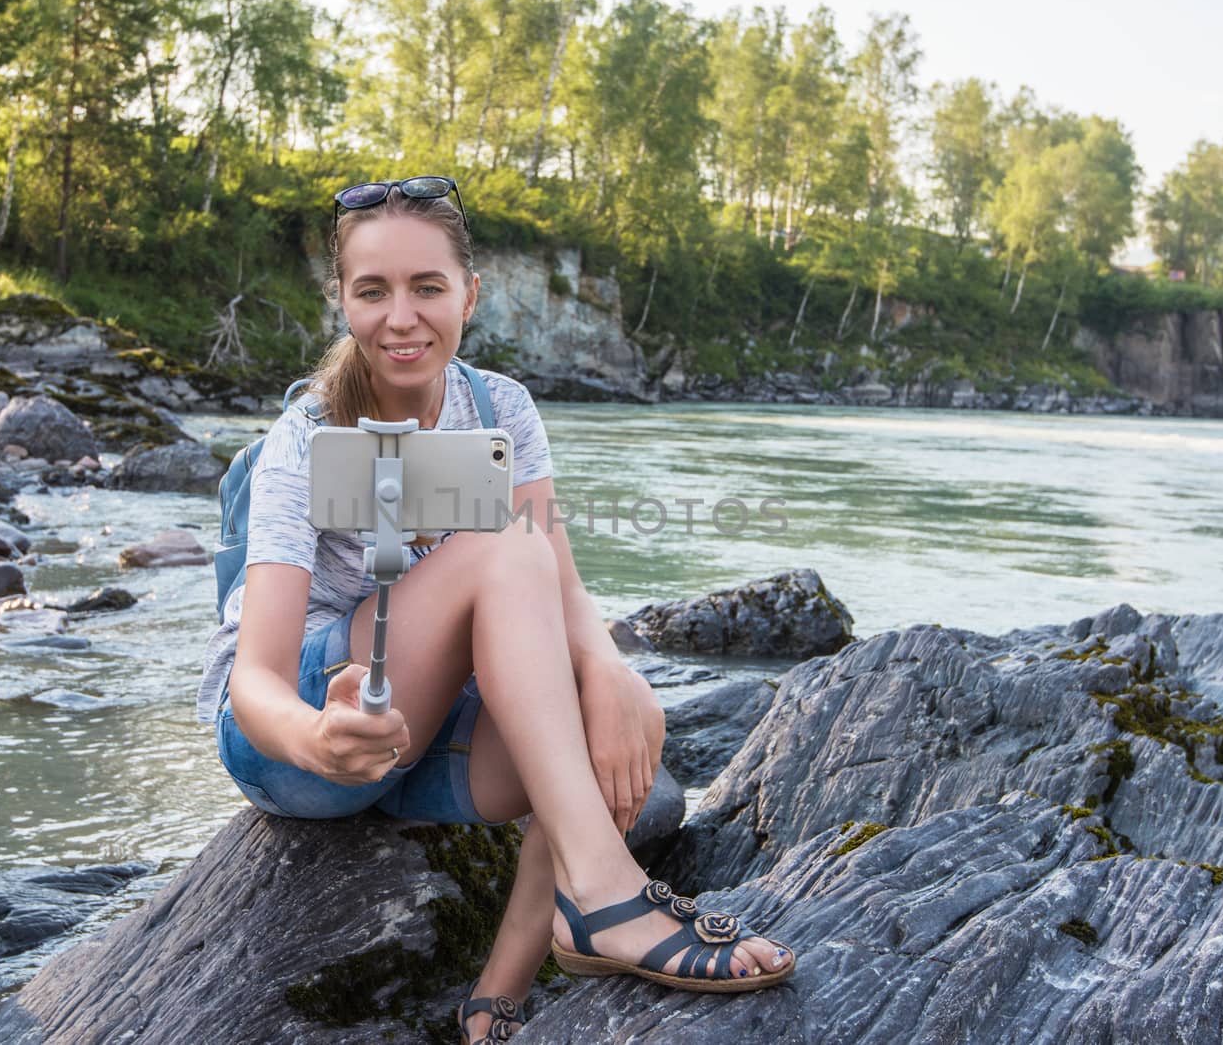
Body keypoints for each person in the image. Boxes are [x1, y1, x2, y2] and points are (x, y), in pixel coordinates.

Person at [196, 176, 796, 1045]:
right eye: (373, 291)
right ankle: (609, 892)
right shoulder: (308, 437)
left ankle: (499, 993)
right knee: (507, 543)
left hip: (420, 738)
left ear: (469, 295)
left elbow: (562, 586)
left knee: (613, 719)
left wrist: (616, 675)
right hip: (293, 734)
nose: (401, 317)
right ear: (343, 300)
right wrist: (314, 738)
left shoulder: (500, 407)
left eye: (427, 287)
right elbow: (253, 677)